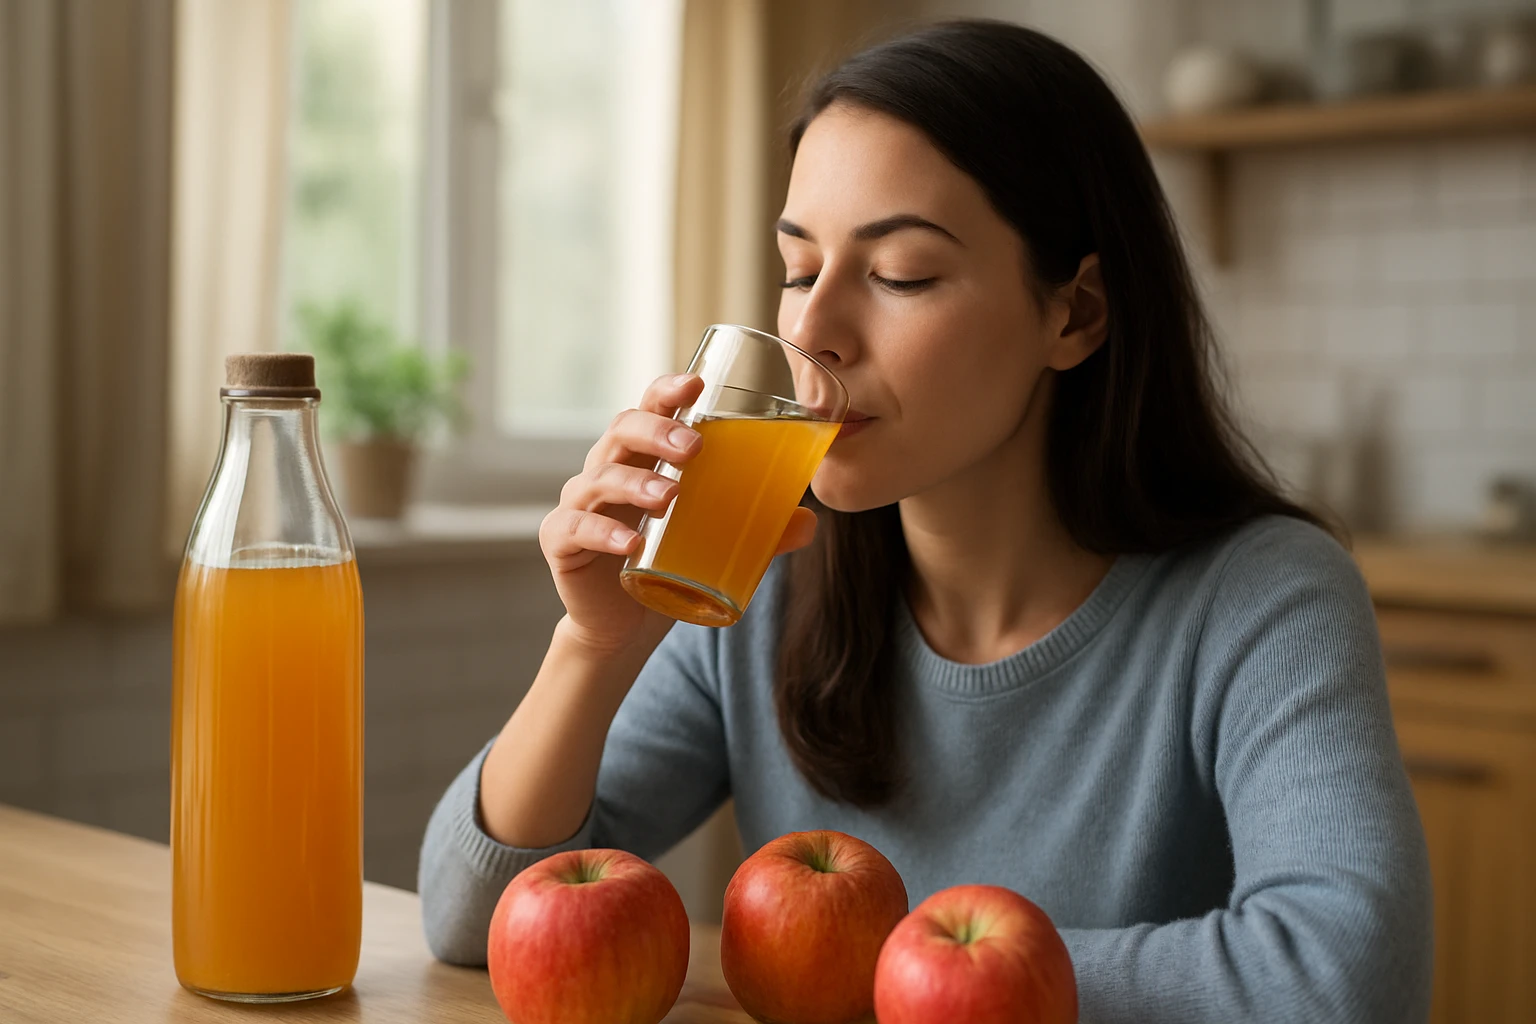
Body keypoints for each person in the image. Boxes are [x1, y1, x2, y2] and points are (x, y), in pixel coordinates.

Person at [419, 19, 1431, 1022]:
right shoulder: (765, 574)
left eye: (899, 273)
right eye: (798, 270)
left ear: (1075, 312)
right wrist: (593, 648)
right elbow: (471, 920)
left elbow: (1346, 980)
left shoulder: (1264, 596)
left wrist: (900, 969)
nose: (812, 331)